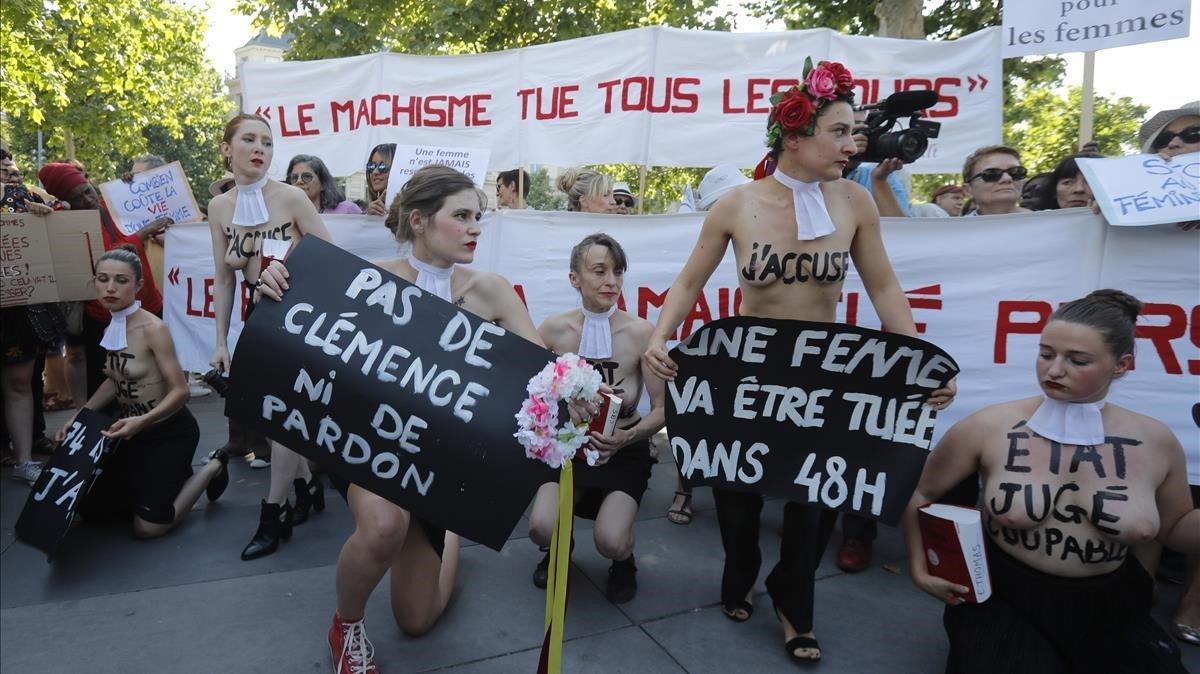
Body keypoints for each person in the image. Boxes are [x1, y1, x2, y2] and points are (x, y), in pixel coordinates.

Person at [643, 60, 955, 664]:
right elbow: (688, 282)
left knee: (813, 503)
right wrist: (662, 335)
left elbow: (885, 288)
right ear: (793, 136)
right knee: (737, 497)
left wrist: (920, 363)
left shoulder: (856, 202)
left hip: (823, 377)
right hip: (748, 374)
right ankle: (741, 570)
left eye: (853, 132)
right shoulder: (735, 205)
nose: (852, 143)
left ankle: (794, 601)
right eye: (838, 132)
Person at [256, 164, 600, 674]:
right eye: (460, 216)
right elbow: (298, 324)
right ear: (418, 221)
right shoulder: (367, 277)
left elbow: (541, 372)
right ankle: (346, 627)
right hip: (372, 445)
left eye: (478, 216)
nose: (474, 227)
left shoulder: (492, 290)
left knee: (416, 620)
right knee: (383, 526)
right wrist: (276, 282)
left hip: (443, 463)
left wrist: (580, 395)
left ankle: (450, 533)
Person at [902, 289, 1195, 673]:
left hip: (1112, 606)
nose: (1054, 370)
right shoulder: (989, 426)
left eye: (1078, 360)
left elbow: (1176, 528)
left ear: (1121, 365)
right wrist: (920, 565)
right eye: (1045, 354)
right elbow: (922, 491)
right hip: (1005, 600)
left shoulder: (1156, 441)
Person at [207, 113, 332, 560]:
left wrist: (292, 267)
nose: (260, 148)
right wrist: (221, 341)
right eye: (249, 140)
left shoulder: (292, 197)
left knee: (281, 419)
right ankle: (308, 486)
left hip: (300, 320)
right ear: (227, 149)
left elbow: (332, 258)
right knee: (275, 417)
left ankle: (273, 514)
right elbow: (224, 279)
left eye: (267, 142)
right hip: (256, 319)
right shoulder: (220, 208)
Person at [527, 233, 666, 603]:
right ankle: (558, 548)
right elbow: (528, 395)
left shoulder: (641, 333)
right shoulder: (553, 330)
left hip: (622, 450)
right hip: (567, 451)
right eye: (600, 271)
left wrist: (626, 438)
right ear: (575, 278)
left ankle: (624, 561)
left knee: (610, 540)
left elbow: (662, 410)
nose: (612, 282)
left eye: (618, 272)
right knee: (541, 527)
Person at [55, 247, 230, 537]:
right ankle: (169, 479)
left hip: (168, 431)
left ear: (138, 286)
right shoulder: (113, 324)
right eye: (103, 279)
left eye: (121, 281)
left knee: (147, 527)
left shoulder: (153, 329)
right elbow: (114, 379)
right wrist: (80, 416)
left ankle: (212, 467)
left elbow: (181, 391)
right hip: (130, 433)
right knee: (92, 510)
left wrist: (142, 421)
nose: (110, 288)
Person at [1138, 100, 1200, 645]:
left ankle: (1194, 598)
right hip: (1152, 377)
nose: (1175, 146)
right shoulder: (1128, 223)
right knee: (1143, 478)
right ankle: (1135, 594)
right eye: (1163, 141)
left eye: (1190, 136)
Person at [37, 162, 164, 403]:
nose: (88, 199)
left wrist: (131, 185)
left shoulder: (113, 205)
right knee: (109, 379)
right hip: (104, 316)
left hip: (147, 305)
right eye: (77, 197)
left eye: (87, 190)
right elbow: (101, 261)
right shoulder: (65, 224)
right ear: (64, 200)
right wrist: (140, 235)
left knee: (155, 374)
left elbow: (149, 203)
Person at [2, 150, 57, 484]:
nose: (8, 174)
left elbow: (60, 219)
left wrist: (43, 214)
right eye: (2, 169)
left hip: (17, 309)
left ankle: (24, 460)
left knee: (20, 383)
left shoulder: (24, 197)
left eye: (9, 168)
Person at [960, 145, 1028, 216]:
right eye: (992, 174)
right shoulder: (956, 226)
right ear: (968, 190)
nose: (1007, 178)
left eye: (1016, 172)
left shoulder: (1039, 222)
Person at [285, 154, 362, 214]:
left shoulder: (347, 210)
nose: (299, 181)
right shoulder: (284, 214)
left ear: (322, 184)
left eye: (307, 176)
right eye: (294, 177)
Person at [1034, 153, 1101, 211]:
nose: (1079, 189)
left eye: (1090, 182)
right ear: (1054, 191)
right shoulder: (1037, 223)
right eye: (1067, 182)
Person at [364, 143, 396, 217]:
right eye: (371, 166)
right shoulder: (369, 213)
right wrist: (369, 218)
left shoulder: (412, 210)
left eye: (382, 166)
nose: (375, 172)